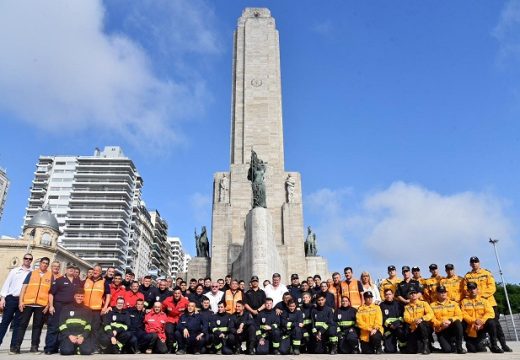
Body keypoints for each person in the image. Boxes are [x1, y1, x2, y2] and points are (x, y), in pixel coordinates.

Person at [464, 256, 511, 352]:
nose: (474, 263)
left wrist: (480, 296)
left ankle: (503, 345)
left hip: (489, 303)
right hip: (474, 304)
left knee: (495, 325)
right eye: (472, 262)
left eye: (476, 262)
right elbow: (465, 289)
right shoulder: (467, 276)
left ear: (479, 263)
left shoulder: (487, 273)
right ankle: (484, 342)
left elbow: (492, 287)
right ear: (470, 264)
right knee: (479, 326)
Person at [13, 256, 53, 354]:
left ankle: (34, 347)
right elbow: (24, 288)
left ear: (48, 265)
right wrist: (21, 301)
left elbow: (50, 292)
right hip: (28, 303)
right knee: (22, 325)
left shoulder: (50, 276)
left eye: (47, 263)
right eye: (43, 263)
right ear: (40, 263)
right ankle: (16, 347)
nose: (44, 265)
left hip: (41, 305)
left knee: (37, 327)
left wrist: (48, 305)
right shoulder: (31, 273)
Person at [45, 263, 81, 354]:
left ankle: (62, 346)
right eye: (69, 268)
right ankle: (50, 348)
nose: (71, 270)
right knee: (54, 327)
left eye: (73, 268)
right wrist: (51, 306)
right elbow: (51, 293)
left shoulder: (77, 281)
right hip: (59, 306)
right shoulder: (59, 280)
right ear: (66, 269)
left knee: (67, 327)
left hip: (71, 308)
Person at [0, 253, 32, 354]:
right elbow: (7, 283)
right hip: (11, 299)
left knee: (18, 325)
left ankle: (13, 347)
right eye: (26, 258)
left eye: (30, 259)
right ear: (23, 259)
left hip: (23, 301)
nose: (27, 260)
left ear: (31, 261)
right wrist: (2, 298)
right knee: (5, 323)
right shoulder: (15, 271)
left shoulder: (32, 273)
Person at [460, 281, 503, 353]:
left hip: (482, 326)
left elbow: (490, 313)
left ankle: (494, 345)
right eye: (470, 289)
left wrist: (481, 321)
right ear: (467, 290)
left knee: (491, 322)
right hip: (471, 327)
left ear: (477, 289)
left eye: (474, 288)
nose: (472, 290)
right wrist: (474, 321)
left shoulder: (484, 301)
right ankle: (482, 342)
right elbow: (463, 314)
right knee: (473, 350)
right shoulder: (464, 301)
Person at [430, 285, 466, 353]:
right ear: (437, 293)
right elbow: (432, 319)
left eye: (444, 292)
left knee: (458, 322)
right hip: (441, 329)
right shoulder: (432, 305)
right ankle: (452, 344)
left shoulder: (454, 304)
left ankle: (459, 347)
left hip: (452, 328)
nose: (443, 293)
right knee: (447, 350)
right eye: (441, 292)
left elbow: (460, 315)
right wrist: (441, 324)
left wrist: (450, 320)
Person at [58, 288, 93, 355]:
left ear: (84, 297)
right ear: (74, 296)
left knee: (87, 351)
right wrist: (69, 335)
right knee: (66, 351)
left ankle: (76, 347)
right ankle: (72, 347)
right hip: (69, 335)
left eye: (82, 296)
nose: (80, 298)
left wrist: (83, 336)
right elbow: (61, 324)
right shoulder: (66, 308)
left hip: (81, 335)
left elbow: (88, 325)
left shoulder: (87, 309)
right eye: (78, 296)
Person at [83, 264, 111, 349]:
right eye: (94, 270)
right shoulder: (87, 280)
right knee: (85, 328)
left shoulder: (104, 282)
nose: (95, 272)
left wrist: (105, 307)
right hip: (85, 309)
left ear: (100, 272)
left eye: (97, 270)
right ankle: (84, 345)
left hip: (97, 309)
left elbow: (108, 296)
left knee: (95, 329)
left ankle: (94, 347)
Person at [403, 287, 434, 354]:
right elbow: (406, 318)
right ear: (408, 296)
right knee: (411, 351)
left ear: (417, 294)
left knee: (422, 324)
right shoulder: (407, 307)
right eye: (411, 293)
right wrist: (415, 321)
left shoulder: (424, 303)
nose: (413, 294)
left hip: (425, 327)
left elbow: (430, 314)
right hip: (414, 327)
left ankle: (426, 347)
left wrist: (422, 319)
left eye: (414, 293)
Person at [379, 288, 407, 353]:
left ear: (393, 295)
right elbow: (382, 318)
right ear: (384, 296)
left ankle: (402, 346)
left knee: (401, 332)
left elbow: (402, 316)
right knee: (390, 350)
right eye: (386, 294)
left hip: (398, 327)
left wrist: (396, 324)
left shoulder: (398, 304)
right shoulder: (381, 305)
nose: (388, 296)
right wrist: (389, 325)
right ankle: (390, 345)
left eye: (390, 294)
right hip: (388, 329)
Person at [162, 288, 189, 353]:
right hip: (170, 319)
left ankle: (181, 348)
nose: (177, 295)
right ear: (173, 294)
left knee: (178, 332)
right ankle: (170, 348)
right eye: (175, 293)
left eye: (178, 293)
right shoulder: (167, 300)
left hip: (180, 319)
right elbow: (161, 308)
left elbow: (191, 307)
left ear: (181, 294)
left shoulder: (185, 301)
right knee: (169, 331)